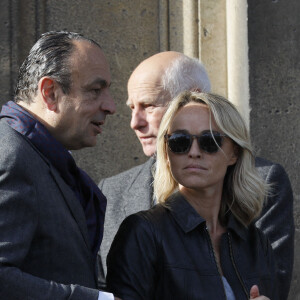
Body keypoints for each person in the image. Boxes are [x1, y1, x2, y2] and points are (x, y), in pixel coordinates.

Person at [98, 51, 294, 299]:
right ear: (166, 151)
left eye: (209, 141)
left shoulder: (256, 243)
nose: (193, 152)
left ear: (234, 153)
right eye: (179, 142)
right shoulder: (141, 230)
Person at [0, 31, 120, 300]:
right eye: (95, 90)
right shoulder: (12, 157)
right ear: (50, 92)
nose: (111, 106)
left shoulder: (33, 155)